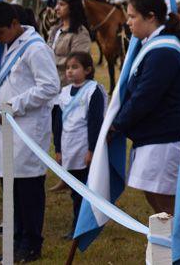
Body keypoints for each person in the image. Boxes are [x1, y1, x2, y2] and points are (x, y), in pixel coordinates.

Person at [0, 1, 60, 262]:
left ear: (14, 24)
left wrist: (15, 105)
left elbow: (50, 86)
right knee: (11, 189)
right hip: (10, 130)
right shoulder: (10, 44)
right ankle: (14, 241)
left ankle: (31, 244)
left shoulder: (35, 48)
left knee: (28, 189)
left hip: (28, 128)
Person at [111, 0, 180, 214]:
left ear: (151, 17)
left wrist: (117, 124)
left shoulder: (163, 51)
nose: (128, 22)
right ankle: (166, 245)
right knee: (156, 200)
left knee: (165, 204)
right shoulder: (153, 46)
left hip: (163, 138)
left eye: (132, 16)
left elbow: (144, 96)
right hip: (152, 137)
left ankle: (176, 247)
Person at [51, 52, 106, 238]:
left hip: (84, 148)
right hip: (68, 148)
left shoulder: (93, 90)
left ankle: (81, 226)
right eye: (68, 67)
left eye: (75, 67)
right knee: (74, 190)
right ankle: (78, 223)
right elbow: (58, 123)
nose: (70, 71)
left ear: (88, 70)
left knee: (84, 189)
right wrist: (58, 149)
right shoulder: (64, 92)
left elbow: (95, 122)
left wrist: (91, 149)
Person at [47, 0, 92, 86]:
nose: (56, 8)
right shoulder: (55, 29)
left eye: (62, 4)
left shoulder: (80, 33)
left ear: (72, 8)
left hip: (67, 85)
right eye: (57, 4)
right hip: (51, 81)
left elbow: (77, 61)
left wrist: (50, 59)